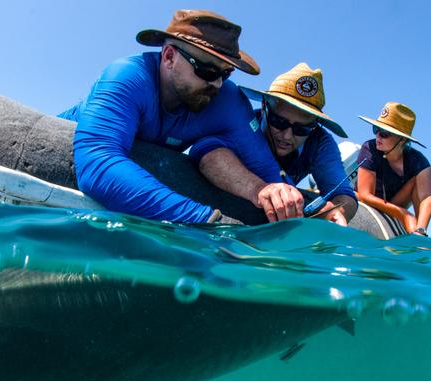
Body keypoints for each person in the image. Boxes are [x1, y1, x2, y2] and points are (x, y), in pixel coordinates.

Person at [58, 9, 303, 224]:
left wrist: (279, 194)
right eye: (207, 70)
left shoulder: (226, 99)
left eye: (226, 73)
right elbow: (97, 161)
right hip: (67, 140)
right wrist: (205, 221)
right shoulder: (128, 76)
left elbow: (265, 170)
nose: (217, 83)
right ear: (168, 57)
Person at [239, 63, 358, 226]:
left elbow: (344, 195)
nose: (287, 136)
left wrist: (336, 211)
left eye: (301, 129)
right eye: (278, 121)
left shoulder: (320, 143)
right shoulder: (243, 126)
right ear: (264, 106)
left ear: (315, 125)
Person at [356, 102, 431, 235]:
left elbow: (428, 198)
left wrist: (420, 229)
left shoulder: (419, 162)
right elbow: (364, 195)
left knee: (417, 180)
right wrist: (403, 214)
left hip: (394, 201)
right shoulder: (369, 148)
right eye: (376, 129)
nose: (378, 137)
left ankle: (419, 236)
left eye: (385, 133)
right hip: (367, 198)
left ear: (402, 139)